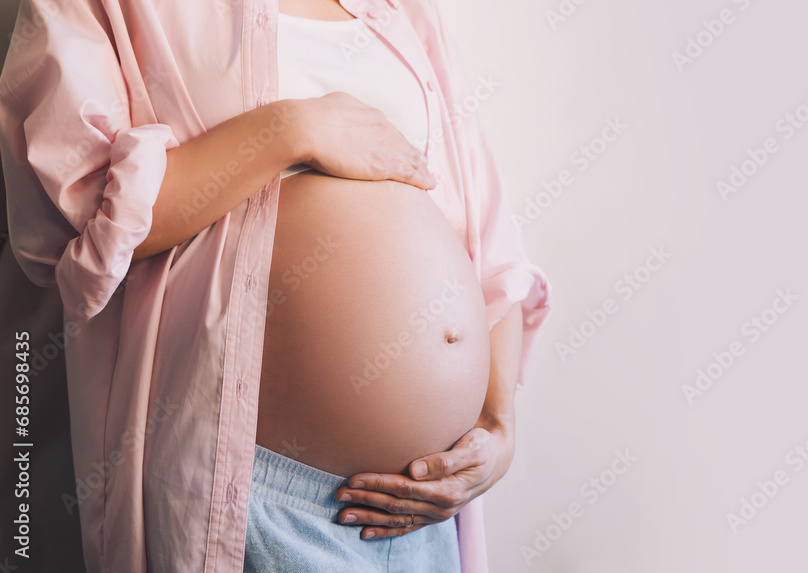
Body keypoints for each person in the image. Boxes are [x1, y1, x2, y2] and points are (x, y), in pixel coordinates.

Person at [0, 0, 552, 571]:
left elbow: (488, 241)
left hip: (429, 515)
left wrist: (497, 426)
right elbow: (72, 219)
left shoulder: (404, 10)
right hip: (257, 500)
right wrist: (291, 129)